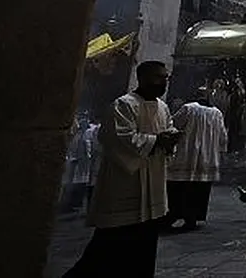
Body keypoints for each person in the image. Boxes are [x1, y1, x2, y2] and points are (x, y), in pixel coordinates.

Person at [63, 61, 181, 278]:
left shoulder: (162, 107)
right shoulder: (123, 105)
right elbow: (117, 138)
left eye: (166, 77)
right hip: (125, 184)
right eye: (158, 77)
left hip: (153, 182)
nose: (164, 82)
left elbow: (167, 127)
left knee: (145, 245)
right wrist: (156, 141)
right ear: (142, 78)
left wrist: (171, 137)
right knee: (110, 244)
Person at [166, 90, 228, 230]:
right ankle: (192, 218)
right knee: (199, 189)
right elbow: (223, 136)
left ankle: (174, 215)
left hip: (187, 155)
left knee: (180, 187)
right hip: (207, 158)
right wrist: (220, 153)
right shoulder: (217, 113)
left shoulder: (189, 108)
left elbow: (173, 125)